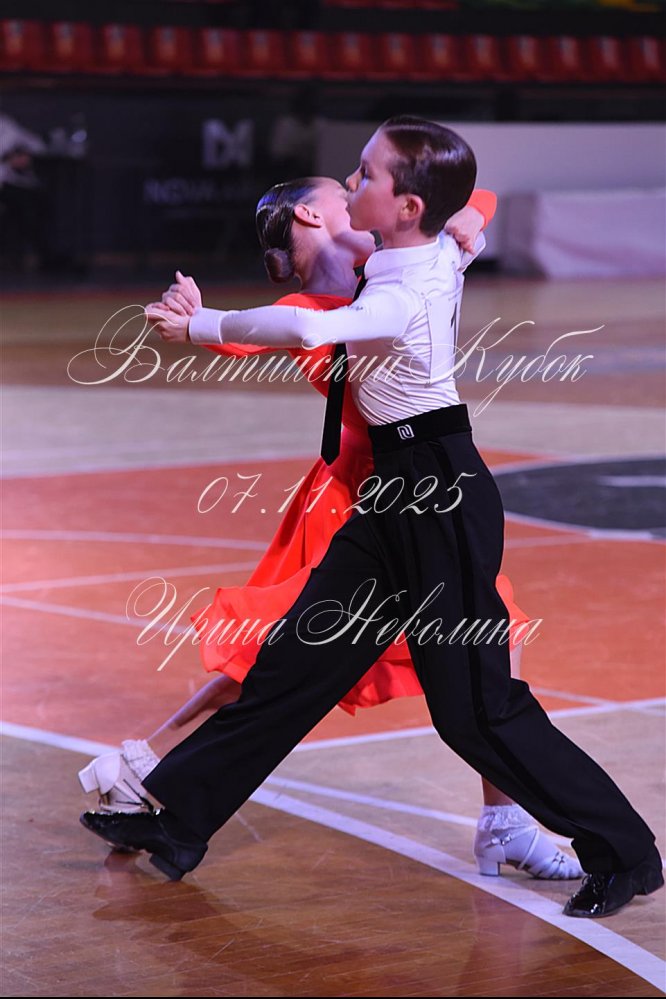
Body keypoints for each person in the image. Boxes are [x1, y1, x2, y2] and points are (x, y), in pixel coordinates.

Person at [82, 117, 662, 919]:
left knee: (475, 710)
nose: (352, 183)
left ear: (407, 205)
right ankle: (177, 821)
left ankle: (626, 853)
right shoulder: (416, 254)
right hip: (394, 493)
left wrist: (201, 324)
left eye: (365, 175)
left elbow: (308, 325)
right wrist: (469, 219)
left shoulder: (403, 288)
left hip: (438, 493)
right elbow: (454, 220)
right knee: (292, 667)